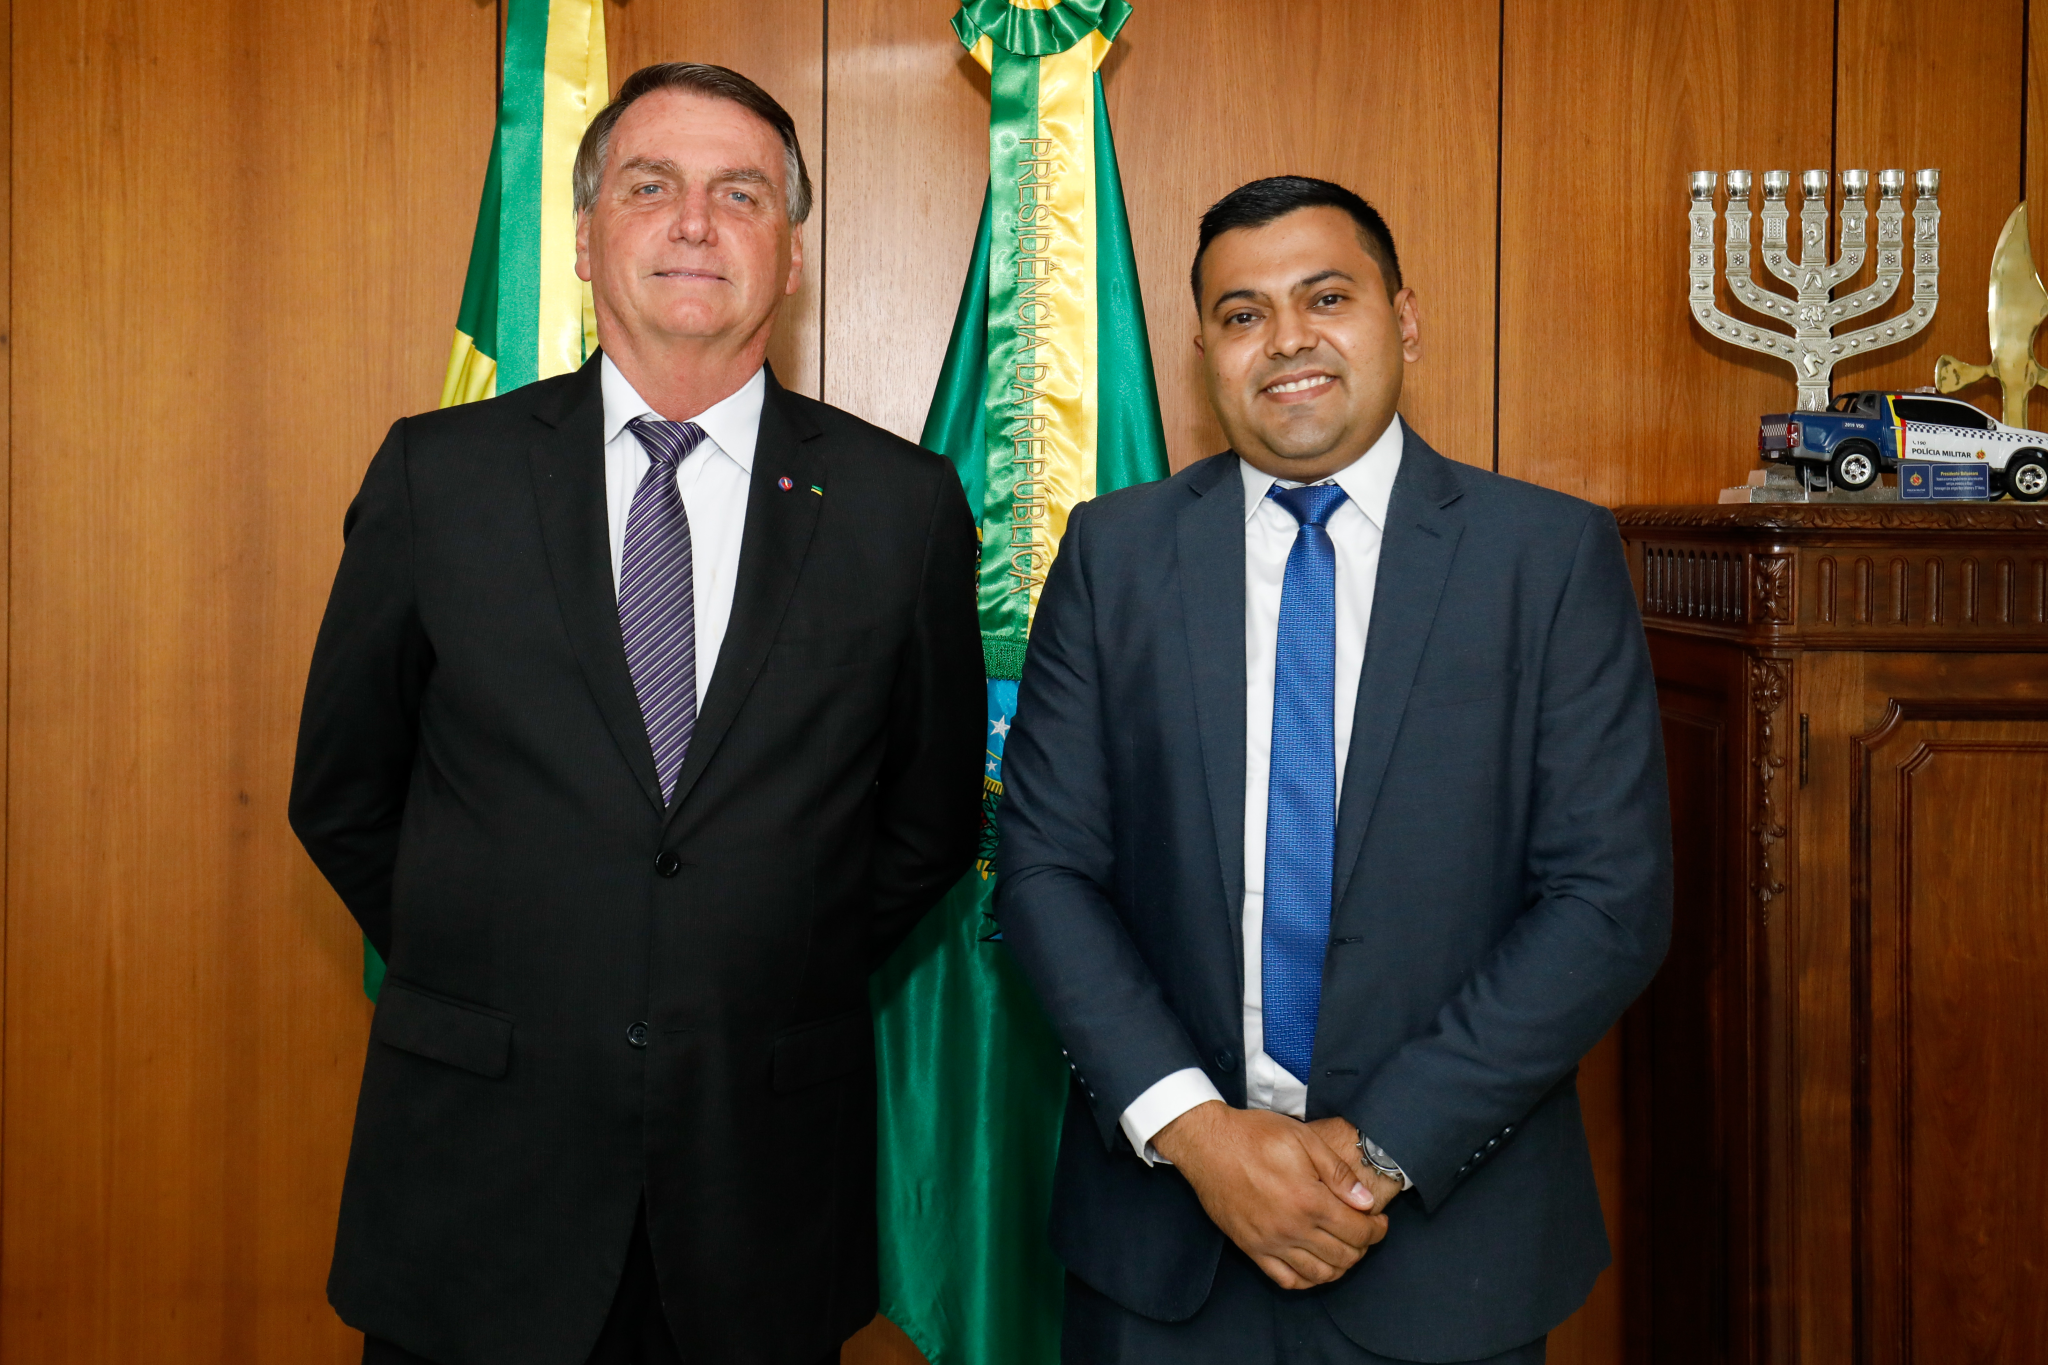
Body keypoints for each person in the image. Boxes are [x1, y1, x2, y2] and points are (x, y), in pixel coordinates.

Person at [289, 62, 983, 1365]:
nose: (695, 223)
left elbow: (929, 822)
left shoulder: (902, 507)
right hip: (476, 1186)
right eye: (651, 186)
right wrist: (504, 965)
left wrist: (752, 958)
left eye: (742, 193)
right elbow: (342, 793)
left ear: (790, 253)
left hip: (760, 1192)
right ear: (586, 233)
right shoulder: (439, 477)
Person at [995, 175, 1673, 1365]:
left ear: (1401, 319)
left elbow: (1606, 900)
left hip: (1448, 1246)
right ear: (1202, 352)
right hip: (1166, 1244)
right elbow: (1044, 871)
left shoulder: (1545, 556)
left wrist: (1370, 1158)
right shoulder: (1113, 555)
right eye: (1241, 313)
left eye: (1325, 297)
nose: (1285, 339)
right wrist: (1200, 1135)